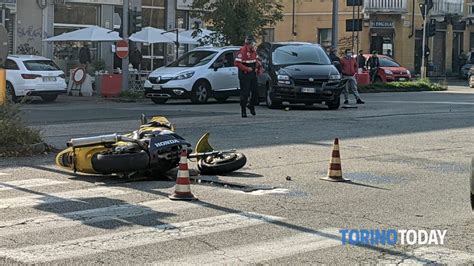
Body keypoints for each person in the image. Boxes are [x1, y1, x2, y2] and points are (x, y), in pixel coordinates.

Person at [234, 35, 263, 118]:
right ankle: (243, 110)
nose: (253, 45)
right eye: (252, 44)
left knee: (255, 92)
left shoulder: (253, 51)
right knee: (245, 93)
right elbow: (237, 63)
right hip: (244, 75)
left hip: (252, 74)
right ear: (248, 44)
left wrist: (258, 67)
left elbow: (257, 60)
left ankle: (251, 105)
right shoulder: (242, 51)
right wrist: (247, 69)